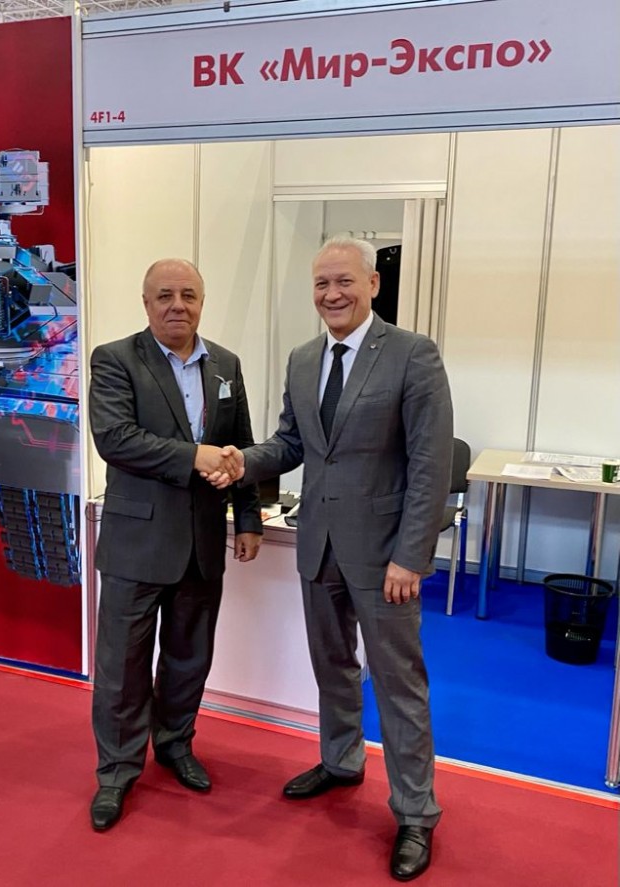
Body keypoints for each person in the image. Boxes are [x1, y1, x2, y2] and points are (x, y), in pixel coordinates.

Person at [207, 236, 453, 881]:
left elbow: (430, 466)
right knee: (333, 668)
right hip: (318, 544)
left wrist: (411, 557)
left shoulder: (413, 354)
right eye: (321, 283)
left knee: (399, 683)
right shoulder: (303, 359)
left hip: (385, 557)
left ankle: (416, 813)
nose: (332, 294)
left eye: (344, 281)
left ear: (373, 284)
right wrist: (240, 461)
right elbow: (291, 443)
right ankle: (342, 762)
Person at [88, 258, 263, 832]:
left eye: (188, 295)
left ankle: (175, 744)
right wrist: (194, 456)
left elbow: (241, 447)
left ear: (202, 302)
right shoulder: (115, 359)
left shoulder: (226, 365)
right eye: (164, 295)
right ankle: (116, 771)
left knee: (189, 658)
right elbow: (116, 439)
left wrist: (248, 518)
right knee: (122, 666)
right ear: (146, 303)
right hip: (136, 543)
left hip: (202, 543)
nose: (177, 305)